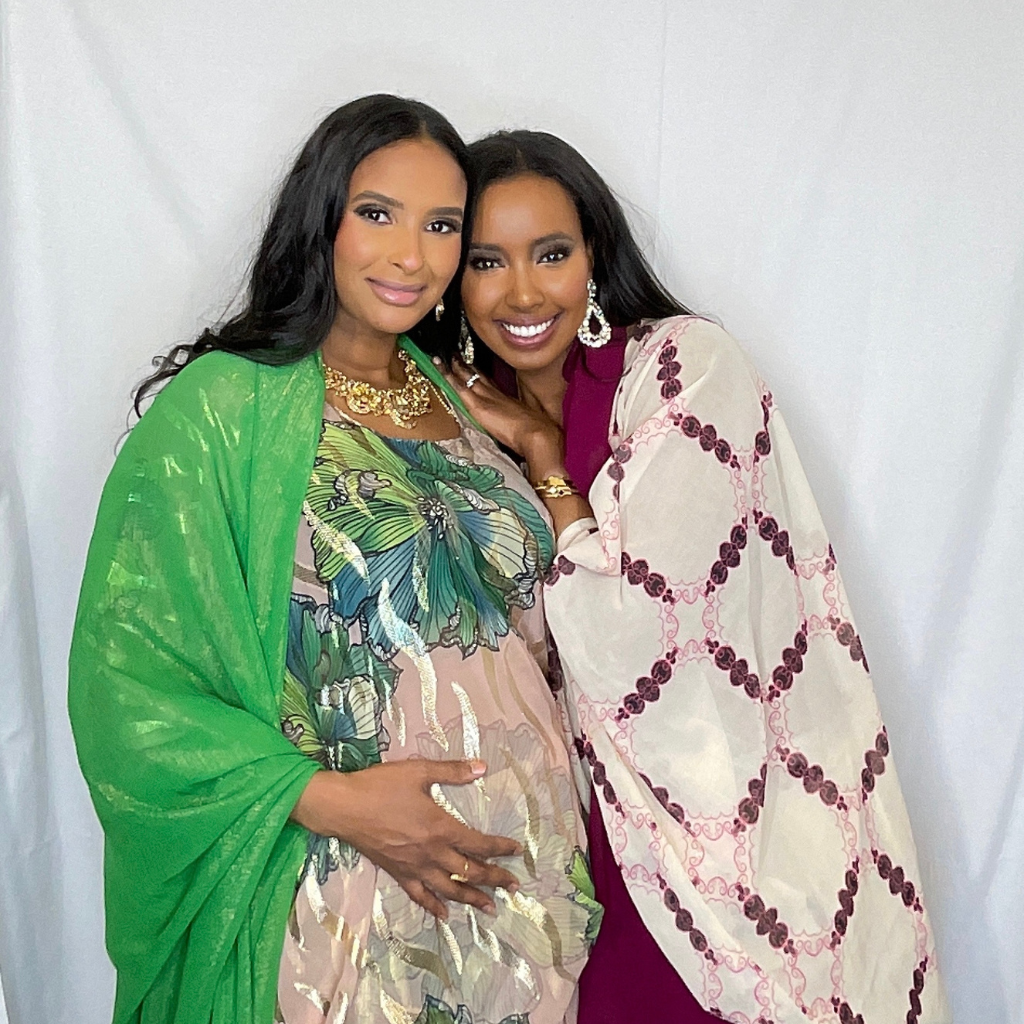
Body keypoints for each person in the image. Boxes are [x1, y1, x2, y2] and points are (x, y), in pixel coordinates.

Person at [69, 98, 596, 1024]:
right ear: (322, 217)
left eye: (441, 227)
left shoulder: (464, 400)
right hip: (344, 903)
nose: (411, 257)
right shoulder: (225, 411)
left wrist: (544, 459)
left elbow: (566, 633)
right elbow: (129, 686)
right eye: (378, 214)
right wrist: (330, 802)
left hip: (525, 894)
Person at [446, 130, 949, 1024]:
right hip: (565, 845)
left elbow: (638, 629)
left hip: (727, 838)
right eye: (487, 261)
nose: (522, 293)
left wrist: (543, 461)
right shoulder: (455, 414)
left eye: (551, 254)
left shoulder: (683, 369)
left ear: (594, 260)